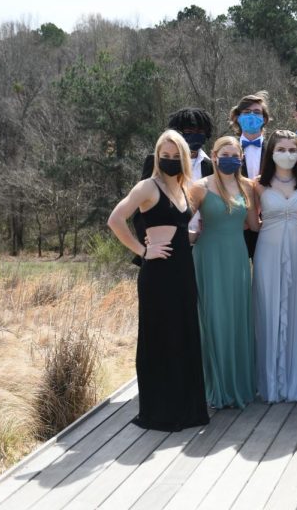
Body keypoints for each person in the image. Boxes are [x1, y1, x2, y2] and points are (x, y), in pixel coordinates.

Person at [107, 130, 209, 431]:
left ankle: (187, 408)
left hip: (183, 272)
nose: (170, 161)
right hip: (158, 276)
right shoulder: (146, 187)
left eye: (176, 157)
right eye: (164, 156)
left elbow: (174, 226)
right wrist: (142, 250)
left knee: (185, 335)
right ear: (157, 156)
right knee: (160, 340)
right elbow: (115, 219)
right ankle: (160, 411)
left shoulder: (183, 188)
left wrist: (191, 235)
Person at [189, 136, 258, 409]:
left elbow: (254, 225)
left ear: (240, 157)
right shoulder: (199, 187)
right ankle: (216, 385)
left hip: (238, 259)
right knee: (214, 318)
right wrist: (192, 235)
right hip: (208, 258)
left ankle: (238, 384)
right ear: (215, 157)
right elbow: (179, 221)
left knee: (237, 317)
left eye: (236, 154)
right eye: (225, 153)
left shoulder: (248, 187)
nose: (231, 157)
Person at [254, 130, 297, 403]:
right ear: (271, 152)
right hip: (267, 252)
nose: (287, 154)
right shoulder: (257, 186)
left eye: (292, 150)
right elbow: (251, 223)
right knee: (268, 311)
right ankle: (268, 384)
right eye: (281, 149)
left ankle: (292, 383)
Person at [134, 108, 215, 265]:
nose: (195, 135)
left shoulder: (210, 165)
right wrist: (147, 246)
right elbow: (140, 209)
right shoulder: (157, 161)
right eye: (189, 130)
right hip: (164, 246)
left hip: (202, 245)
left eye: (200, 131)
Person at [230, 92, 271, 259]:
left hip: (268, 223)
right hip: (237, 225)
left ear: (265, 118)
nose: (252, 116)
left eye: (257, 112)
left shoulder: (276, 149)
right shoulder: (227, 150)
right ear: (237, 118)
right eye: (246, 113)